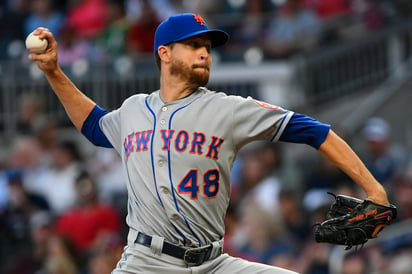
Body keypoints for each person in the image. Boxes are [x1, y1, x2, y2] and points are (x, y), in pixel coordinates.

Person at [28, 12, 391, 274]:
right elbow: (93, 126)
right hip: (145, 263)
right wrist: (54, 72)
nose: (205, 52)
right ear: (164, 53)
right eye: (194, 45)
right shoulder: (133, 109)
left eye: (208, 47)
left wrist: (374, 190)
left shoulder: (228, 109)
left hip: (215, 262)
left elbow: (315, 131)